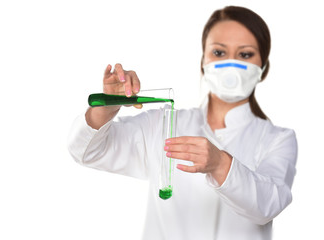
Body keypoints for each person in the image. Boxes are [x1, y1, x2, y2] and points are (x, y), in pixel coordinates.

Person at [67, 5, 298, 240]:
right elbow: (86, 152)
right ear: (203, 62)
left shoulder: (278, 139)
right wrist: (107, 106)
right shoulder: (163, 124)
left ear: (264, 68)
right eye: (219, 52)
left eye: (245, 54)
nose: (231, 63)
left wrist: (220, 164)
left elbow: (268, 206)